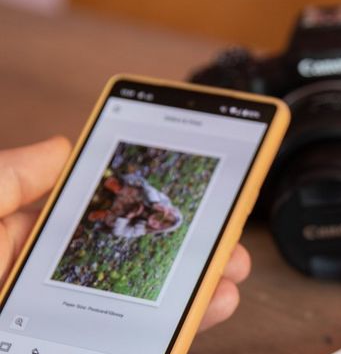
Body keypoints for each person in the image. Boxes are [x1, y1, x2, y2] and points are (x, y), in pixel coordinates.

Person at [0, 137, 247, 329]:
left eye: (155, 220)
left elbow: (120, 230)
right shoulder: (159, 202)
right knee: (121, 186)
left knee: (101, 217)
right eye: (159, 213)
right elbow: (146, 188)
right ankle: (99, 190)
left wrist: (128, 216)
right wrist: (144, 200)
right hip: (126, 194)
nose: (155, 216)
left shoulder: (141, 228)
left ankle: (92, 207)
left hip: (116, 215)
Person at [88, 172, 184, 239]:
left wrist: (128, 217)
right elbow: (148, 189)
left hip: (121, 213)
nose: (157, 220)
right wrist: (154, 203)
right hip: (129, 197)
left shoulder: (143, 228)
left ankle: (97, 213)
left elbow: (119, 232)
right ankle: (110, 183)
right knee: (135, 190)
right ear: (167, 211)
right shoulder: (163, 202)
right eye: (162, 217)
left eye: (161, 224)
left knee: (112, 221)